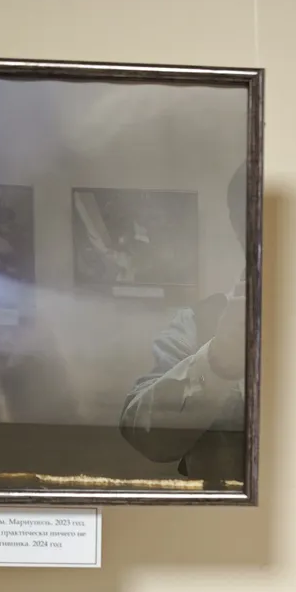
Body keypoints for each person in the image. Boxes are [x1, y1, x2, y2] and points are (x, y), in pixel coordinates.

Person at [119, 164, 249, 484]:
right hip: (225, 527)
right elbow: (142, 432)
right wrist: (217, 360)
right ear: (238, 226)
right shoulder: (198, 322)